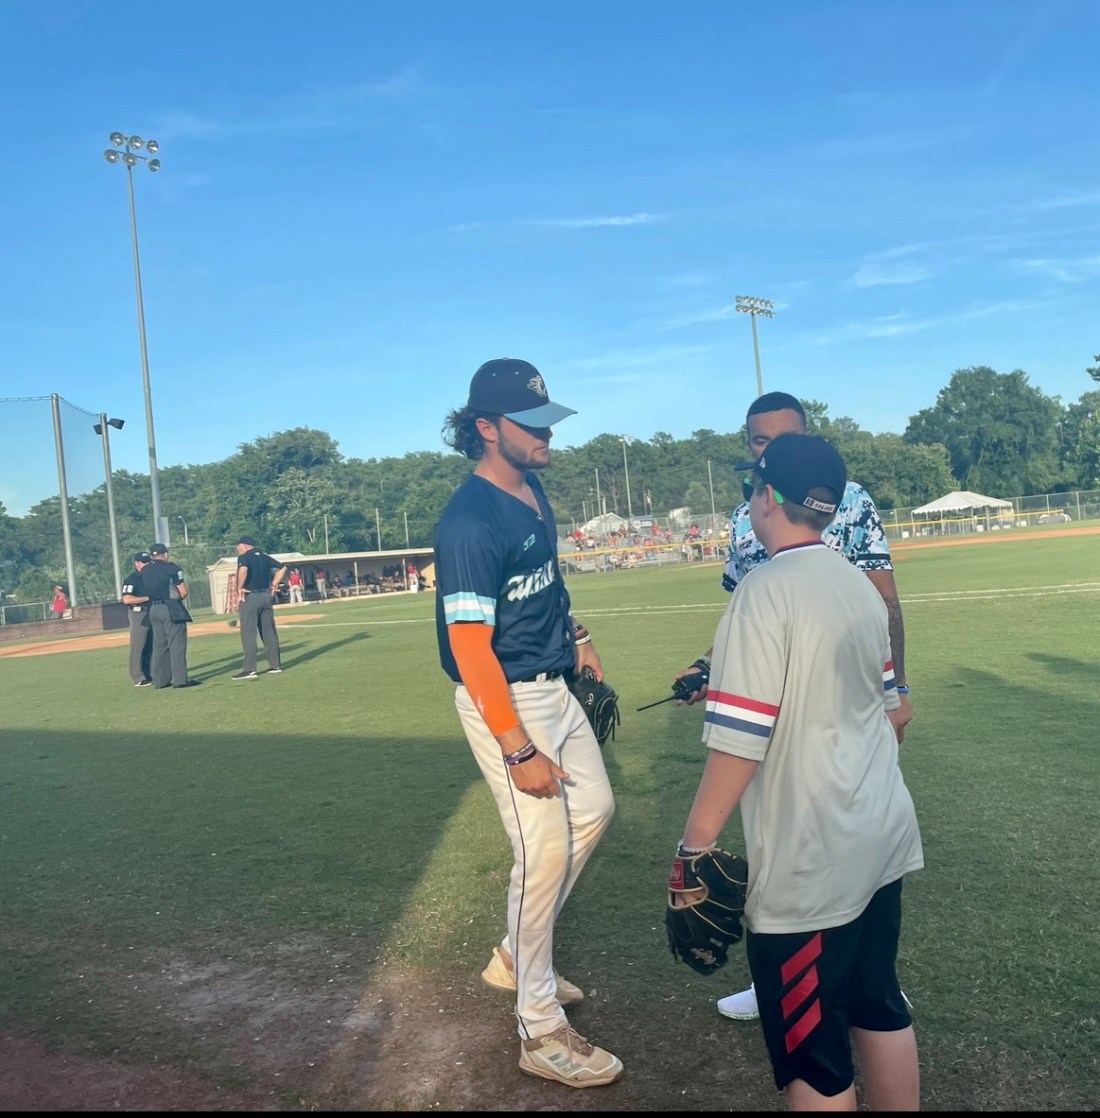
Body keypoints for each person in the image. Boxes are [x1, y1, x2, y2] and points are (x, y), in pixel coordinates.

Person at [672, 432, 923, 1111]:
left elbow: (739, 744)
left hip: (814, 857)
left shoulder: (764, 590)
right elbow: (878, 699)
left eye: (752, 487)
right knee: (877, 1001)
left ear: (767, 498)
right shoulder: (858, 585)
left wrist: (693, 851)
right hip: (880, 829)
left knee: (814, 1052)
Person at [434, 357, 622, 1089]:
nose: (547, 434)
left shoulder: (531, 489)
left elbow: (547, 585)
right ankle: (538, 1027)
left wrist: (578, 636)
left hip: (555, 687)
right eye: (531, 423)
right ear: (486, 427)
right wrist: (517, 749)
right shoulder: (469, 522)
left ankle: (516, 954)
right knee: (542, 853)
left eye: (547, 420)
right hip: (507, 703)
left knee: (595, 811)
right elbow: (469, 647)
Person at [143, 543, 201, 689]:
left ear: (152, 556)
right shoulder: (172, 568)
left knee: (159, 645)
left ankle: (160, 680)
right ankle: (180, 679)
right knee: (177, 644)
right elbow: (183, 591)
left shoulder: (145, 570)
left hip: (153, 608)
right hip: (170, 607)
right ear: (166, 554)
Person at [232, 536, 287, 680]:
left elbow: (243, 570)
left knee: (248, 633)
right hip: (265, 596)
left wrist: (239, 588)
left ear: (244, 546)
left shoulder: (244, 558)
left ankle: (249, 669)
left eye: (238, 547)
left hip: (250, 597)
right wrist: (274, 585)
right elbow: (282, 568)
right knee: (269, 632)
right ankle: (275, 665)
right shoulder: (265, 557)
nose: (238, 550)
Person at [121, 552, 154, 686]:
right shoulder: (132, 579)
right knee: (139, 645)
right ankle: (138, 676)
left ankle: (151, 673)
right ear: (136, 563)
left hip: (153, 612)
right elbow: (127, 599)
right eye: (144, 562)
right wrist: (148, 597)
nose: (147, 565)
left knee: (152, 644)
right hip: (139, 613)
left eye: (148, 562)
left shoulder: (152, 577)